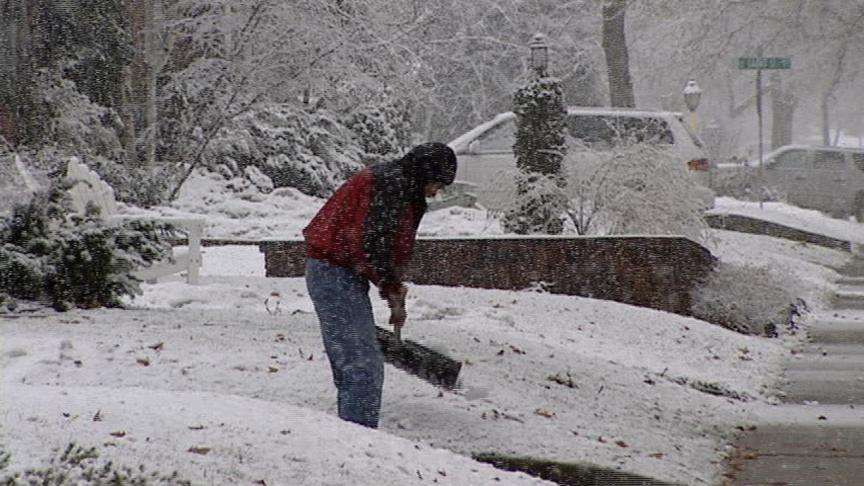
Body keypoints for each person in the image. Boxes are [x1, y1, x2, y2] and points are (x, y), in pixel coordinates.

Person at [303, 142, 458, 428]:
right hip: (333, 271)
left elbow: (384, 244)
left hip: (339, 271)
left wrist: (393, 286)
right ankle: (359, 440)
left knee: (355, 364)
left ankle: (353, 432)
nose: (436, 192)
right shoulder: (391, 186)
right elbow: (372, 243)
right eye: (437, 183)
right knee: (362, 366)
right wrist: (391, 286)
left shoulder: (401, 186)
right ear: (425, 174)